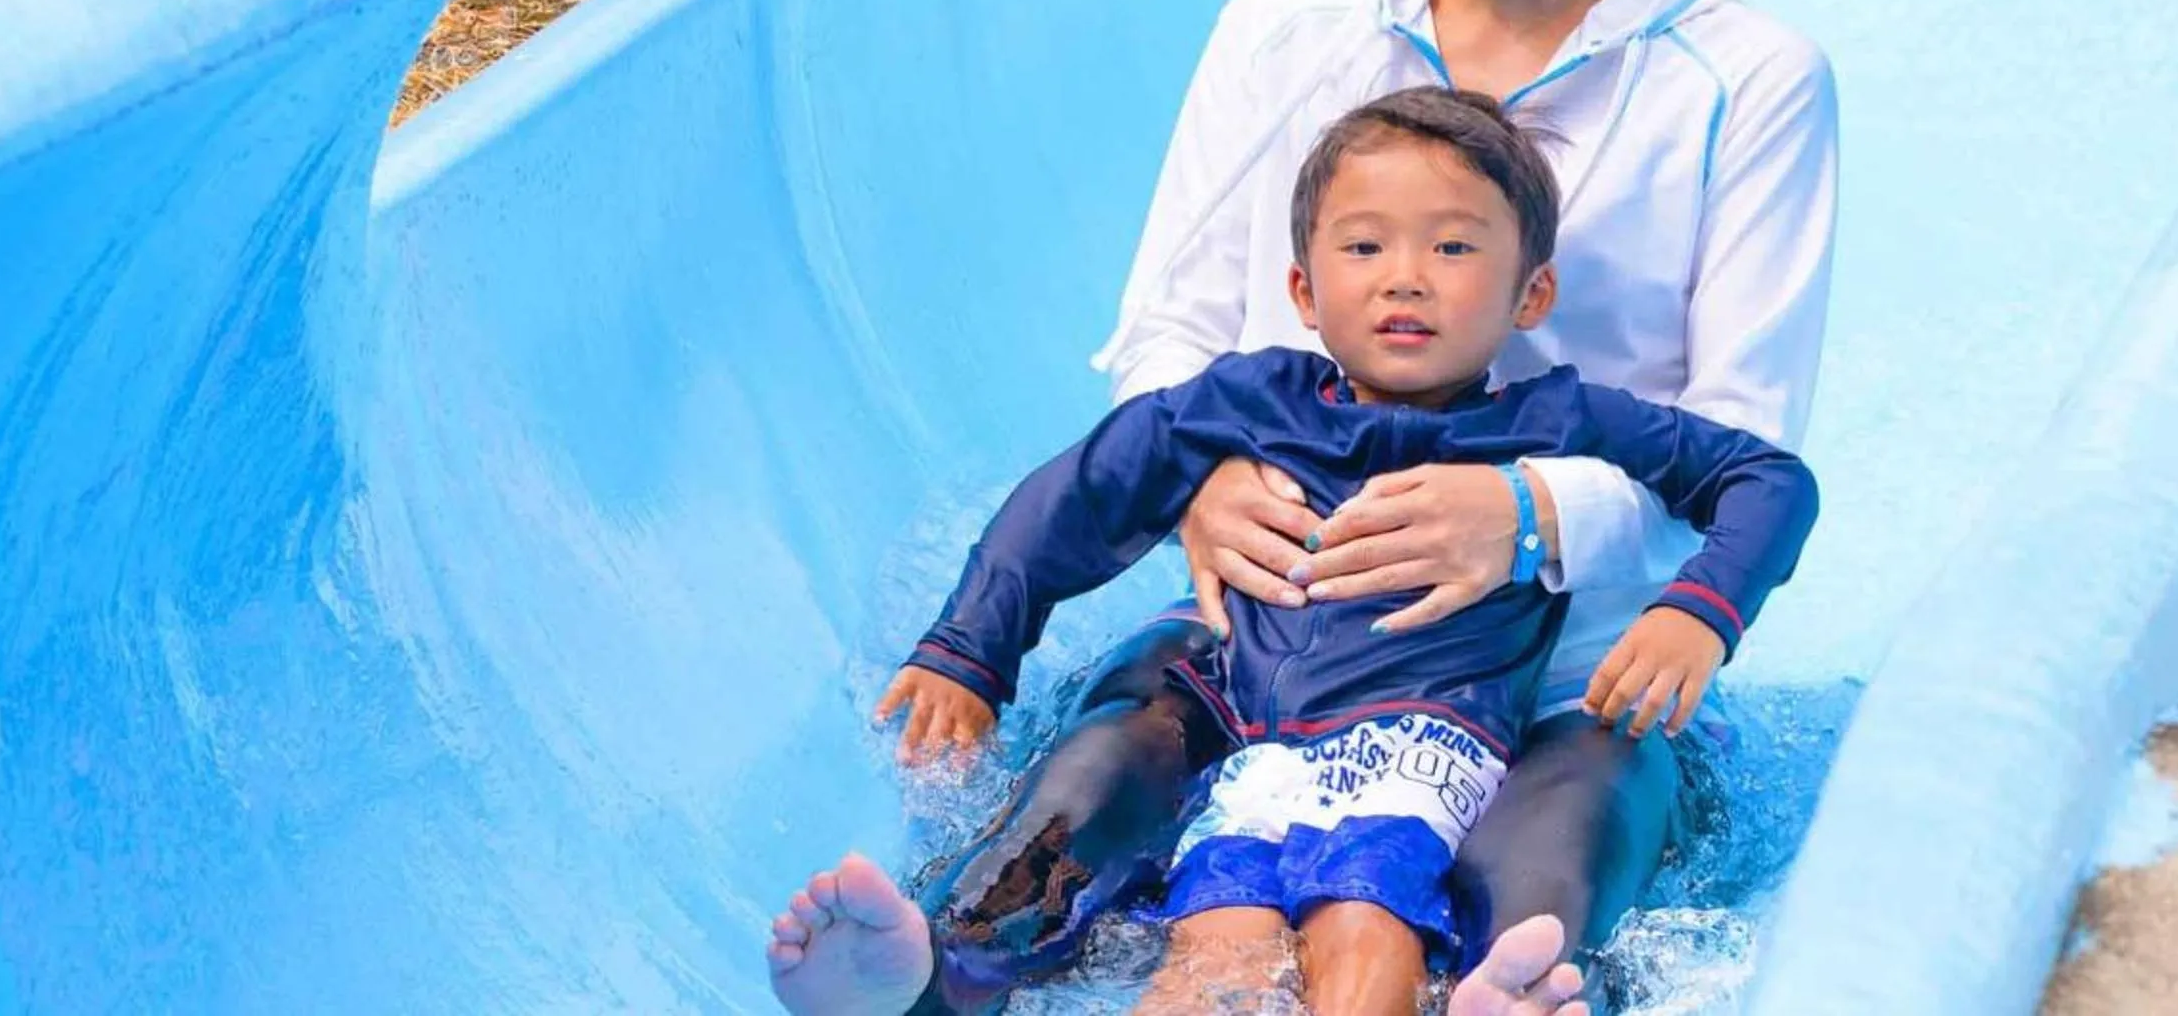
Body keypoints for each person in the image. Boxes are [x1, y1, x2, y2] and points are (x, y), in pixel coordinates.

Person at [767, 0, 1840, 1015]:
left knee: (1554, 823)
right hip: (1272, 631)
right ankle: (942, 968)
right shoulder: (1287, 30)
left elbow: (1742, 439)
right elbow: (1167, 334)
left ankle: (1497, 993)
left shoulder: (1746, 81)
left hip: (1564, 676)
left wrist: (1521, 518)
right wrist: (1199, 480)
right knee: (1121, 746)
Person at [777, 89, 1817, 1016]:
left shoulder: (1554, 422)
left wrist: (1697, 610)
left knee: (1360, 933)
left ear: (1529, 296)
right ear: (1303, 289)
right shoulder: (1247, 401)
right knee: (1210, 951)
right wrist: (970, 649)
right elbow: (1082, 491)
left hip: (1421, 747)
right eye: (1363, 250)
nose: (1404, 279)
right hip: (1253, 746)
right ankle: (933, 973)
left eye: (1452, 250)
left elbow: (1767, 480)